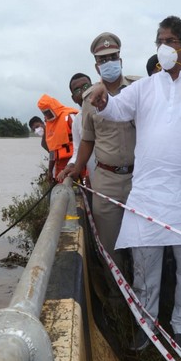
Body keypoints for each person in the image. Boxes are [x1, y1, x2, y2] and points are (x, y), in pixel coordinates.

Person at [89, 16, 181, 352]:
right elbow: (116, 109)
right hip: (147, 193)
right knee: (145, 269)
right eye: (160, 39)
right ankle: (146, 324)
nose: (164, 46)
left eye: (171, 40)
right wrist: (102, 96)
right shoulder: (143, 86)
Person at [58, 32, 139, 307]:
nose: (108, 62)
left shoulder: (139, 88)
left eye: (112, 57)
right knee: (109, 246)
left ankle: (147, 301)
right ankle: (119, 302)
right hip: (106, 180)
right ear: (96, 66)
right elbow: (88, 140)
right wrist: (76, 167)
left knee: (144, 247)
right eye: (102, 59)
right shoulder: (89, 99)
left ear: (120, 59)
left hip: (141, 179)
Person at [36, 94, 77, 182]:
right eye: (44, 113)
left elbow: (84, 142)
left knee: (80, 191)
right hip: (60, 165)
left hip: (76, 162)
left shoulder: (69, 116)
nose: (46, 114)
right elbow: (52, 150)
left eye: (47, 111)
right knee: (60, 192)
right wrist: (50, 171)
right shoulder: (49, 124)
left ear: (53, 107)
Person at [64, 73, 94, 184]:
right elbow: (77, 151)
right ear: (73, 98)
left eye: (86, 87)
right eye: (77, 90)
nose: (83, 92)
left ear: (93, 87)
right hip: (95, 180)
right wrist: (71, 165)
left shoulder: (109, 109)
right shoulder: (77, 120)